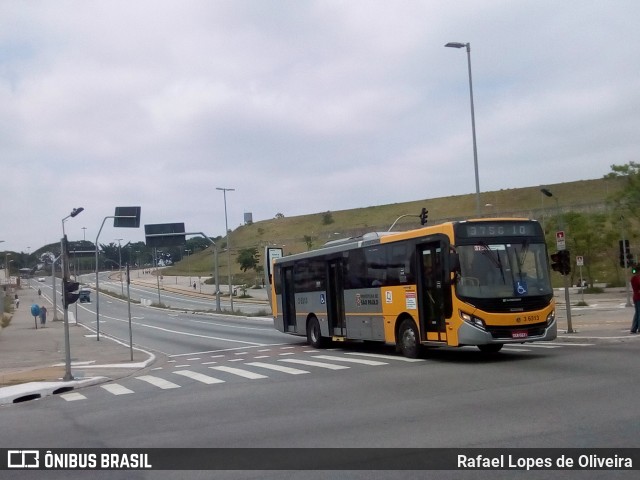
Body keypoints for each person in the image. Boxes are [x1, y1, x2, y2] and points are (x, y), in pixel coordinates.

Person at [631, 265, 640, 334]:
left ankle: (634, 328)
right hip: (638, 297)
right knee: (638, 313)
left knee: (637, 313)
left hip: (636, 297)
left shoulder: (635, 278)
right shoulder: (635, 278)